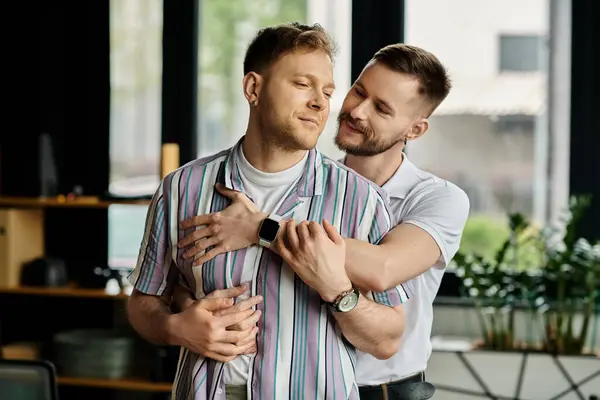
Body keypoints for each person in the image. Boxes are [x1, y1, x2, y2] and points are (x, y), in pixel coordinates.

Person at [126, 22, 409, 400]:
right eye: (302, 84)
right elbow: (144, 302)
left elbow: (388, 339)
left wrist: (338, 291)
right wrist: (177, 328)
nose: (320, 102)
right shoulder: (182, 189)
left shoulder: (361, 200)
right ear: (253, 88)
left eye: (327, 91)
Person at [176, 43, 470, 399]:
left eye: (381, 108)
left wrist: (260, 229)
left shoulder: (438, 198)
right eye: (359, 91)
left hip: (386, 390)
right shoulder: (312, 183)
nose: (356, 111)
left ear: (415, 129)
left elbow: (383, 267)